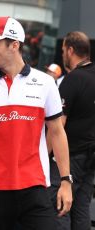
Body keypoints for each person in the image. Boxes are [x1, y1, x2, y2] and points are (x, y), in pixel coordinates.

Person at [0, 16, 72, 230]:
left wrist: (66, 181)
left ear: (14, 45)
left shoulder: (45, 83)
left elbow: (57, 132)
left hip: (35, 187)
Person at [48, 31, 95, 230]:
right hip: (90, 157)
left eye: (63, 50)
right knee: (81, 207)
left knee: (60, 205)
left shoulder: (73, 79)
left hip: (69, 157)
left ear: (70, 50)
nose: (63, 55)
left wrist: (44, 154)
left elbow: (57, 125)